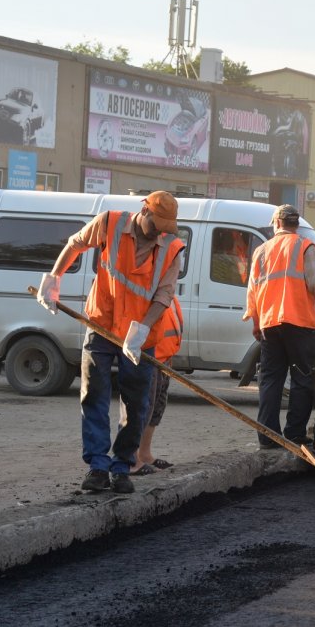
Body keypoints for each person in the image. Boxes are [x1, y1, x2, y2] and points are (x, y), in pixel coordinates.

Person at [37, 191, 185, 494]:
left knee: (136, 404)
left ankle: (122, 467)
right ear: (144, 211)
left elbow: (164, 295)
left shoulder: (173, 248)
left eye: (165, 228)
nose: (160, 232)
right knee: (94, 395)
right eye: (156, 225)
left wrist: (142, 329)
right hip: (101, 326)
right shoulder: (110, 223)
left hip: (139, 338)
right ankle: (97, 467)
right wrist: (55, 278)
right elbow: (76, 243)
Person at [243, 204, 315, 449]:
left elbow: (253, 290)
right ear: (296, 224)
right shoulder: (304, 246)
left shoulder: (261, 250)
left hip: (270, 323)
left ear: (277, 223)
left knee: (270, 380)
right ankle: (294, 435)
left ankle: (268, 437)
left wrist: (257, 322)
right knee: (302, 379)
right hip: (299, 323)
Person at [131, 296, 183, 475]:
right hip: (150, 357)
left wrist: (169, 354)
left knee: (156, 407)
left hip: (163, 357)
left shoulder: (168, 291)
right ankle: (133, 458)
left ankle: (145, 454)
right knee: (144, 408)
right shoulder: (153, 289)